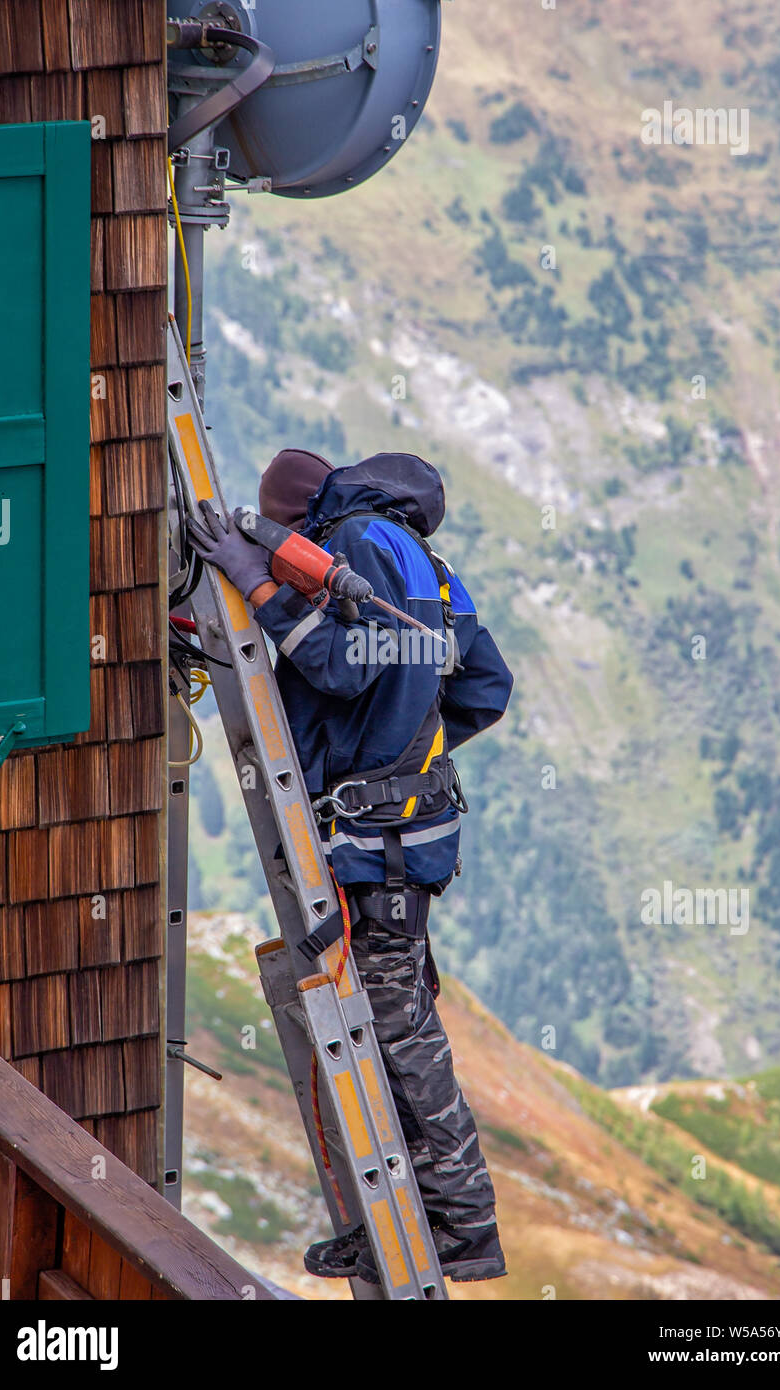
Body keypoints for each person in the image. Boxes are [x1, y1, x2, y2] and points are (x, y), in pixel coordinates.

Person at [188, 447, 513, 1284]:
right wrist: (411, 752)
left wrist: (257, 589)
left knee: (400, 1033)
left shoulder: (357, 547)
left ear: (301, 520)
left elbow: (339, 665)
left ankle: (462, 1228)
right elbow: (484, 685)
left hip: (380, 847)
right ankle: (400, 1224)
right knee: (386, 1021)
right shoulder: (420, 556)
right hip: (411, 830)